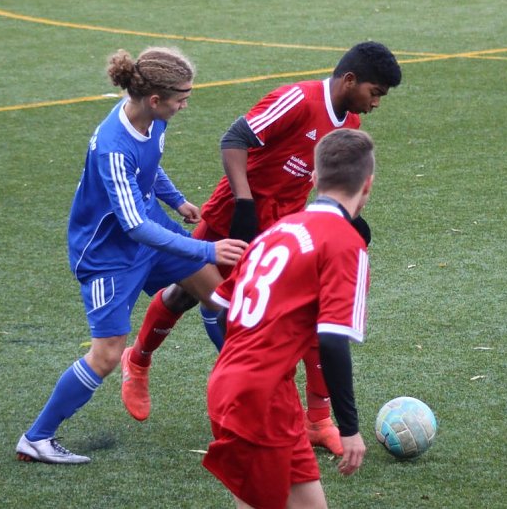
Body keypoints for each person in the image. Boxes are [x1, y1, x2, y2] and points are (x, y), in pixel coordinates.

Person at [120, 42, 401, 456]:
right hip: (233, 216)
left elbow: (325, 179)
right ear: (350, 80)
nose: (376, 103)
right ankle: (138, 360)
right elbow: (234, 139)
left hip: (283, 227)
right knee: (190, 293)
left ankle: (318, 420)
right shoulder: (298, 100)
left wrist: (345, 219)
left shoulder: (350, 123)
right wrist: (245, 204)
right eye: (375, 92)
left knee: (311, 313)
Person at [14, 47, 247, 464]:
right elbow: (134, 226)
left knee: (223, 298)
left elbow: (151, 166)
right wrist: (207, 247)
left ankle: (247, 405)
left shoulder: (152, 120)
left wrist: (176, 201)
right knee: (105, 354)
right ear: (155, 99)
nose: (186, 103)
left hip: (148, 234)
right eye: (181, 97)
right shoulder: (112, 146)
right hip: (109, 256)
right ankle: (37, 437)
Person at [203, 128, 375, 509]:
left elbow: (221, 305)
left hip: (262, 391)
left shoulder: (274, 233)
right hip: (259, 398)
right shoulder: (346, 242)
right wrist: (349, 428)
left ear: (314, 180)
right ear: (368, 185)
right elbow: (331, 339)